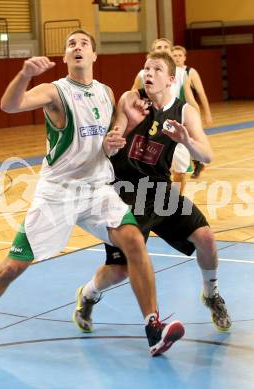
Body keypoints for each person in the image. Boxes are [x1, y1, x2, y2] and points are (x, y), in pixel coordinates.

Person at [0, 30, 184, 357]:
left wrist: (122, 131)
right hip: (58, 193)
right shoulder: (54, 91)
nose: (77, 47)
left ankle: (153, 328)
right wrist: (24, 75)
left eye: (84, 44)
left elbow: (111, 140)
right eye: (71, 44)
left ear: (94, 55)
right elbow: (10, 105)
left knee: (134, 240)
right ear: (65, 57)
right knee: (13, 266)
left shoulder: (106, 93)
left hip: (95, 189)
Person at [73, 51, 231, 337]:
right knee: (120, 270)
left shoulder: (184, 111)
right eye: (146, 68)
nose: (149, 73)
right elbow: (115, 137)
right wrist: (114, 137)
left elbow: (206, 154)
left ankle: (211, 292)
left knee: (206, 238)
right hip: (123, 191)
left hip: (159, 190)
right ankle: (88, 294)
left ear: (171, 79)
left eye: (156, 69)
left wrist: (186, 141)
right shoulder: (130, 99)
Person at [131, 38, 198, 194]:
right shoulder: (142, 74)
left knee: (180, 172)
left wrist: (197, 123)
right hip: (151, 128)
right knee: (150, 170)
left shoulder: (181, 74)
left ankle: (174, 204)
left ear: (170, 51)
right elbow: (132, 97)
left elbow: (190, 99)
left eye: (166, 46)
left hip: (175, 128)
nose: (162, 48)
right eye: (158, 46)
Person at [172, 45, 213, 179]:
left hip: (187, 109)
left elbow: (201, 93)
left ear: (184, 57)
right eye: (175, 55)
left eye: (180, 55)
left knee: (190, 138)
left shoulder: (190, 72)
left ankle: (197, 162)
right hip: (173, 111)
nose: (177, 58)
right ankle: (192, 164)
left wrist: (207, 113)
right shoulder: (168, 72)